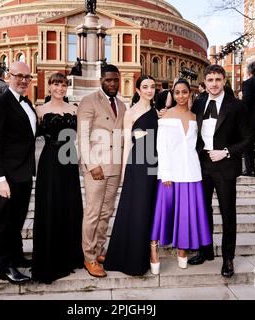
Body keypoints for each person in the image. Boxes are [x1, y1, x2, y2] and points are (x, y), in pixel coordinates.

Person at [189, 65, 252, 278]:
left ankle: (228, 259)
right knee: (203, 211)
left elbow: (247, 138)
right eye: (210, 79)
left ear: (224, 80)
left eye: (217, 79)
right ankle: (205, 251)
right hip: (202, 165)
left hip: (225, 166)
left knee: (227, 213)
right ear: (204, 82)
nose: (214, 83)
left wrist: (225, 152)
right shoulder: (198, 104)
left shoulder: (236, 106)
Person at [149, 79, 212, 274]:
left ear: (190, 94)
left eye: (185, 92)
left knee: (185, 214)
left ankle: (182, 249)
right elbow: (161, 147)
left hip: (192, 173)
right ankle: (154, 248)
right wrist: (165, 172)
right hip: (170, 172)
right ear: (173, 95)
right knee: (164, 211)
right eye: (177, 92)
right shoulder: (165, 116)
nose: (181, 96)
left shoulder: (196, 118)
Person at [0, 62, 37, 284]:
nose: (23, 80)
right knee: (4, 221)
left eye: (27, 77)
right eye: (19, 76)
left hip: (24, 173)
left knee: (17, 219)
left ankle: (17, 257)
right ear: (9, 76)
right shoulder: (0, 104)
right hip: (6, 175)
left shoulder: (27, 103)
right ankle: (5, 267)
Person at [31, 73, 84, 284]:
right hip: (50, 160)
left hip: (70, 161)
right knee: (51, 205)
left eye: (63, 85)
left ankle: (70, 255)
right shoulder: (40, 110)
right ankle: (51, 257)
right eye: (56, 84)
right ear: (49, 87)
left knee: (69, 205)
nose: (60, 88)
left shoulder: (75, 110)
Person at [103, 75, 159, 276]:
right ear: (137, 90)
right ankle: (131, 259)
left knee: (150, 207)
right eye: (145, 87)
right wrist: (125, 173)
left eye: (152, 87)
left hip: (155, 163)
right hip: (138, 163)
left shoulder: (157, 112)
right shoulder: (131, 113)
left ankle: (148, 252)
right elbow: (127, 144)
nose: (149, 90)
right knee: (137, 208)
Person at [77, 64, 125, 278]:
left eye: (115, 80)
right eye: (108, 80)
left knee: (106, 212)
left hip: (114, 167)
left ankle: (99, 249)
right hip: (96, 167)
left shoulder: (122, 106)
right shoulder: (89, 102)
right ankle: (89, 257)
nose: (112, 83)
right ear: (101, 81)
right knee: (93, 212)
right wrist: (91, 164)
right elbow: (82, 136)